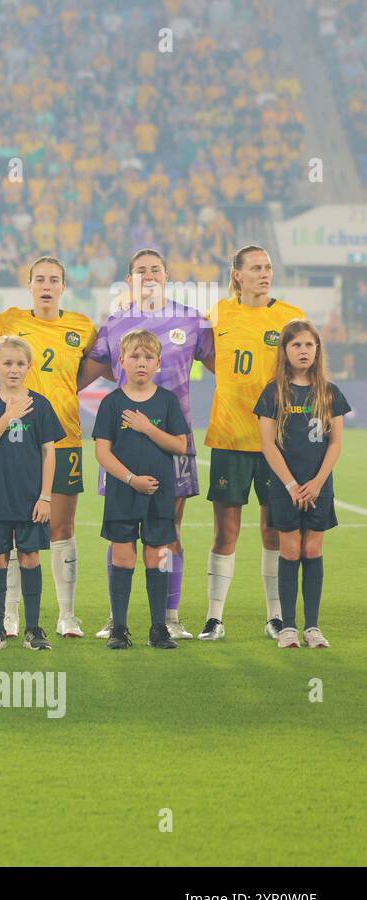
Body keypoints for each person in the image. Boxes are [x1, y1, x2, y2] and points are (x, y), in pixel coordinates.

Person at [80, 249, 214, 642]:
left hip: (173, 443)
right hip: (121, 446)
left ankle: (169, 616)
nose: (149, 274)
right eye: (141, 270)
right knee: (120, 533)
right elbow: (90, 370)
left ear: (167, 275)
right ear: (130, 278)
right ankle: (115, 618)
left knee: (169, 531)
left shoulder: (192, 320)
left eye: (156, 269)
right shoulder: (116, 320)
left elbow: (220, 365)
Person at [199, 245, 305, 641]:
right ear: (237, 274)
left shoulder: (290, 317)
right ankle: (214, 617)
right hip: (229, 436)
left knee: (273, 530)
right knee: (226, 531)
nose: (265, 274)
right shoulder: (219, 314)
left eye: (268, 268)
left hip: (276, 441)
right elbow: (209, 356)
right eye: (256, 268)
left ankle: (275, 617)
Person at [0, 257, 96, 638]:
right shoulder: (8, 321)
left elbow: (97, 364)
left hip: (65, 435)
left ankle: (67, 615)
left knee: (62, 525)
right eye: (40, 279)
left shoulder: (82, 326)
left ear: (63, 286)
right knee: (18, 528)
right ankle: (10, 614)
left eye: (54, 279)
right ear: (30, 284)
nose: (47, 285)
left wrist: (67, 393)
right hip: (17, 439)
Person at [91, 330, 191, 650]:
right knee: (122, 555)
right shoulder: (111, 403)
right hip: (124, 491)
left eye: (148, 357)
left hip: (160, 493)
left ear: (158, 363)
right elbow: (102, 453)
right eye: (134, 356)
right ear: (121, 361)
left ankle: (158, 628)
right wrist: (132, 479)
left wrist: (147, 427)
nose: (141, 363)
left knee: (157, 555)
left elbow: (179, 445)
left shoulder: (167, 401)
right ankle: (119, 627)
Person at [0, 336, 65, 652]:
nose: (13, 369)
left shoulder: (41, 404)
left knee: (29, 556)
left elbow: (49, 453)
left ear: (29, 367)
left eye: (20, 363)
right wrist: (8, 416)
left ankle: (33, 629)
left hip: (30, 498)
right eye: (7, 363)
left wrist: (46, 497)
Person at [255, 319, 349, 648]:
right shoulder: (274, 392)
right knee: (290, 551)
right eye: (296, 345)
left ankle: (312, 627)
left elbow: (335, 443)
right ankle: (289, 627)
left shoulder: (329, 392)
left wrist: (317, 482)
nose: (303, 351)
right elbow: (267, 444)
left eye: (309, 345)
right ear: (285, 351)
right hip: (285, 487)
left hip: (319, 487)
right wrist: (292, 484)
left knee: (312, 550)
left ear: (318, 350)